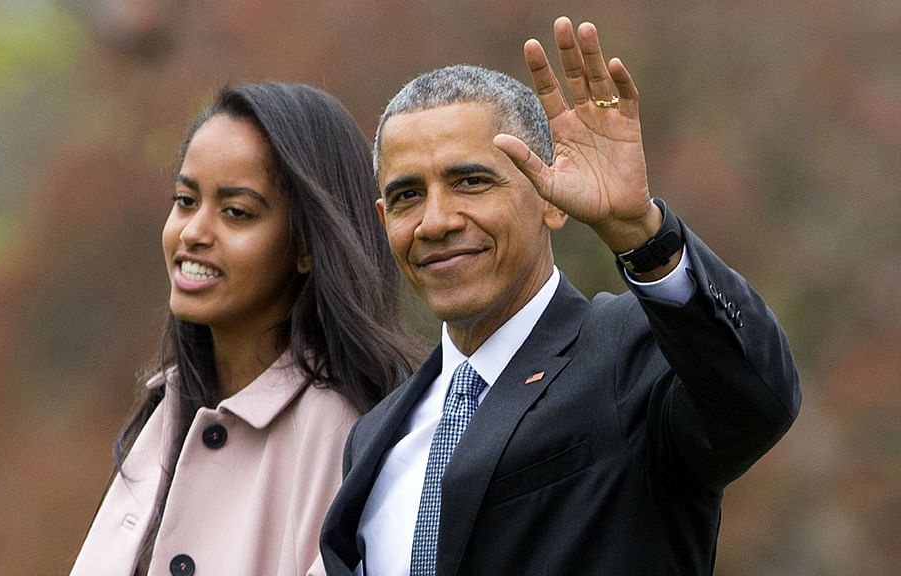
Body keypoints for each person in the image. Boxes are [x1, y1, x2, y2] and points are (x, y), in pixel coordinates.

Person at [320, 16, 800, 576]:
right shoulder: (373, 436)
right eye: (406, 196)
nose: (436, 221)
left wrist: (642, 235)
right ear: (383, 221)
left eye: (471, 182)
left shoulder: (630, 352)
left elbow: (756, 400)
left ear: (550, 198)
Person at [70, 82, 413, 576]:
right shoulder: (165, 410)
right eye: (186, 200)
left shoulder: (341, 434)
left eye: (236, 212)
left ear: (307, 246)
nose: (193, 232)